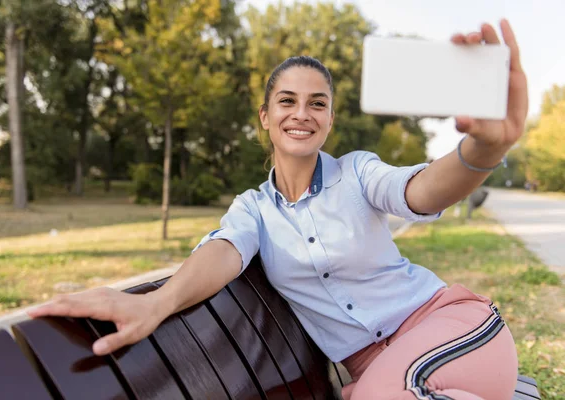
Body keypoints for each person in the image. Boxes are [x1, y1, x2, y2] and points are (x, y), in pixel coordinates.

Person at [29, 19, 528, 400]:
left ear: (330, 119)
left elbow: (418, 191)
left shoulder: (358, 172)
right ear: (266, 117)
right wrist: (155, 303)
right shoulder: (253, 211)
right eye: (287, 101)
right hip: (383, 375)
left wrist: (481, 152)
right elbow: (223, 249)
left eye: (317, 103)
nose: (302, 113)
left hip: (449, 333)